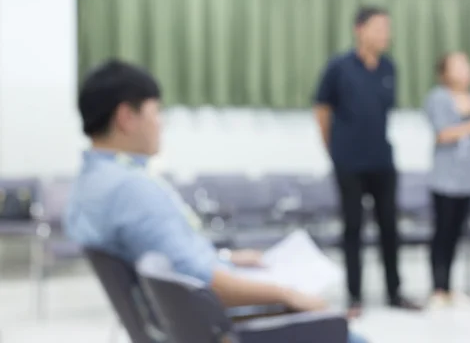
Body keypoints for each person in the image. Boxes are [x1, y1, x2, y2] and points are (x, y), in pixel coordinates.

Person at [64, 60, 368, 343]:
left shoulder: (91, 183)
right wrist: (287, 294)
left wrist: (227, 258)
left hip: (181, 321)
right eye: (156, 112)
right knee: (342, 331)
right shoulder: (131, 189)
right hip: (215, 327)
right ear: (126, 118)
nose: (161, 123)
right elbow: (205, 285)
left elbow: (171, 259)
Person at [313, 7, 421, 316]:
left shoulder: (389, 67)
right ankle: (355, 295)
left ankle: (394, 291)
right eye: (378, 28)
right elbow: (321, 109)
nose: (384, 35)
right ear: (359, 30)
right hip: (348, 161)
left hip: (382, 159)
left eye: (387, 29)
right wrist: (332, 149)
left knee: (389, 227)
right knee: (353, 228)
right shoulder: (339, 67)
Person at [424, 52, 470, 309]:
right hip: (444, 180)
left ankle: (451, 287)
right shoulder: (438, 98)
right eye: (458, 65)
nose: (465, 70)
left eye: (467, 64)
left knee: (456, 235)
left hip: (469, 179)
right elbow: (442, 134)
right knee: (441, 233)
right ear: (445, 72)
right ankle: (437, 288)